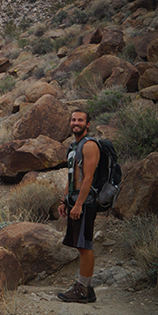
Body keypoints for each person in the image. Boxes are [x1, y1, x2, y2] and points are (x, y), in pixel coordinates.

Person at [57, 110, 99, 303]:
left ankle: (83, 289)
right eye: (73, 119)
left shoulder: (89, 145)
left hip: (86, 202)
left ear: (87, 124)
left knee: (85, 245)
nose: (76, 123)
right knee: (81, 245)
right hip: (75, 201)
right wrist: (65, 201)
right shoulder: (74, 146)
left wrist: (79, 204)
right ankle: (87, 290)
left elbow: (88, 177)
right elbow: (71, 175)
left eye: (80, 120)